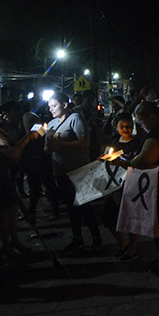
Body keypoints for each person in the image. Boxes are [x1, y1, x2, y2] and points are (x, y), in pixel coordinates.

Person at [112, 101, 159, 275]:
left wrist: (126, 163)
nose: (140, 126)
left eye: (141, 122)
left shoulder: (157, 133)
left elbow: (145, 159)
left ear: (151, 117)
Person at [44, 92, 104, 251]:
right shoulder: (50, 124)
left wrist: (61, 145)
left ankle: (97, 237)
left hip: (78, 170)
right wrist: (49, 147)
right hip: (60, 171)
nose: (51, 109)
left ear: (64, 105)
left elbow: (85, 142)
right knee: (71, 207)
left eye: (54, 106)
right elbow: (47, 148)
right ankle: (77, 238)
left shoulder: (75, 119)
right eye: (49, 106)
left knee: (84, 204)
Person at [0, 102, 40, 261]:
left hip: (8, 177)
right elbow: (13, 153)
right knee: (4, 215)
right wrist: (28, 138)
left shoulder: (0, 130)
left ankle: (14, 241)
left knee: (12, 210)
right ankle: (7, 246)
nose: (1, 115)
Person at [102, 112, 143, 259]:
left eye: (128, 126)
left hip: (132, 184)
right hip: (115, 186)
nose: (125, 129)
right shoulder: (114, 143)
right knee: (107, 217)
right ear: (116, 127)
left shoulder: (137, 143)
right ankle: (122, 243)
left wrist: (124, 163)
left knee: (131, 218)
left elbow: (139, 164)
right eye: (122, 126)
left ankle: (132, 248)